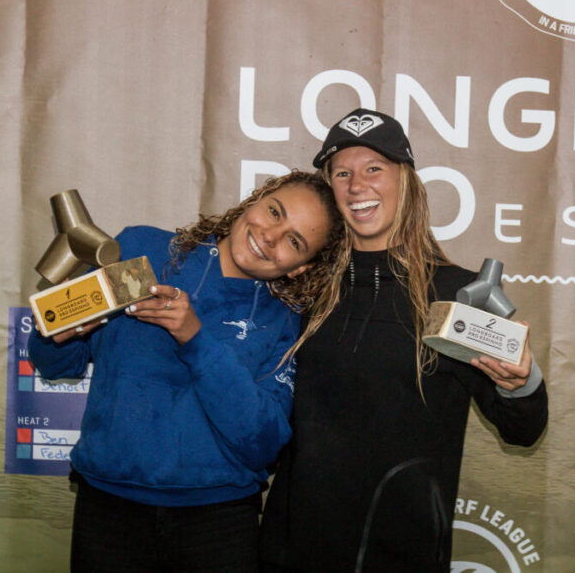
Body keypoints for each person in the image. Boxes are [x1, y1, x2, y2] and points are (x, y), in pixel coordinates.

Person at [259, 108, 549, 572]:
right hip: (294, 551)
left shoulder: (459, 294)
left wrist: (522, 384)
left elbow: (523, 430)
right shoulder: (304, 285)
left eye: (374, 168)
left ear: (406, 181)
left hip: (405, 554)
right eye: (342, 173)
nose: (357, 185)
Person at [28, 170, 345, 572]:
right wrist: (58, 332)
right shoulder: (141, 249)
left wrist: (195, 338)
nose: (270, 236)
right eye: (274, 212)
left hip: (218, 522)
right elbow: (56, 364)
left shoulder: (284, 319)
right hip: (108, 509)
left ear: (301, 268)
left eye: (294, 241)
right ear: (255, 200)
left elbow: (263, 443)